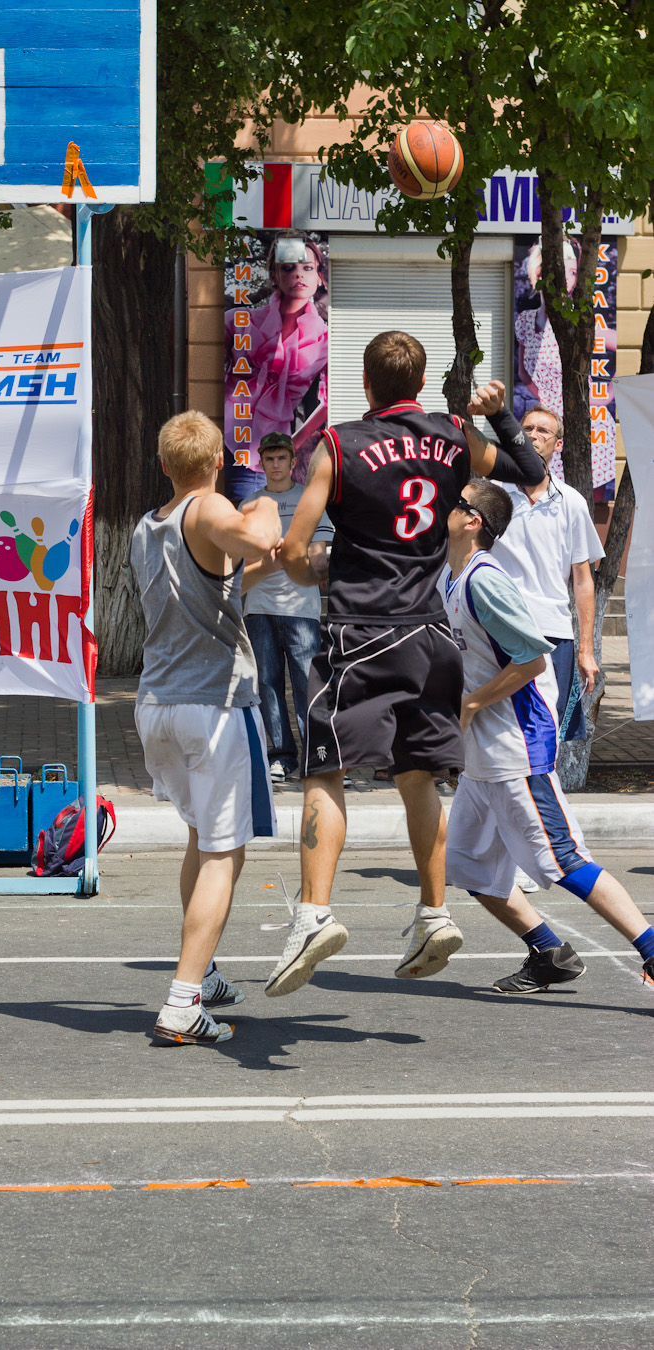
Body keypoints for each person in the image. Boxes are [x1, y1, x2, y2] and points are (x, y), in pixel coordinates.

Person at [263, 331, 548, 997]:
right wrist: (500, 413)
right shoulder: (454, 437)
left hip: (360, 632)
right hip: (430, 634)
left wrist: (307, 566)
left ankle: (313, 913)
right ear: (418, 383)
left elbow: (299, 550)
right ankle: (433, 911)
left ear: (365, 384)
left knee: (324, 772)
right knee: (418, 777)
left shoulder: (339, 445)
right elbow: (529, 471)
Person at [441, 477, 654, 992]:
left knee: (563, 860)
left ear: (474, 521)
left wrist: (469, 703)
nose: (446, 504)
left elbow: (532, 659)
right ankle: (549, 953)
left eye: (458, 501)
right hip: (482, 754)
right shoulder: (450, 574)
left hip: (517, 745)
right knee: (468, 868)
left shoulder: (484, 580)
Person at [130, 410, 281, 1045]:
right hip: (212, 707)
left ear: (164, 465)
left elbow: (220, 581)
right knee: (226, 853)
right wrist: (268, 504)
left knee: (201, 839)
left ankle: (206, 970)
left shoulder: (149, 524)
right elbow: (254, 541)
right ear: (218, 462)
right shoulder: (210, 510)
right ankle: (182, 1002)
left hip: (158, 703)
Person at [493, 405, 605, 742]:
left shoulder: (570, 501)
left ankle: (541, 793)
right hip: (500, 627)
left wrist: (586, 650)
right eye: (527, 428)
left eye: (544, 431)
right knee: (499, 728)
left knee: (545, 731)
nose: (533, 436)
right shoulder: (493, 496)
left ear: (558, 445)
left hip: (552, 633)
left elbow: (583, 580)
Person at [241, 431, 333, 782]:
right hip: (259, 608)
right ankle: (281, 756)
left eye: (282, 458)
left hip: (301, 609)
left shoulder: (309, 501)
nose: (276, 464)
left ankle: (318, 757)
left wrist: (301, 559)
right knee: (267, 684)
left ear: (294, 462)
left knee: (308, 685)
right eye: (269, 458)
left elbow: (320, 552)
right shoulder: (248, 505)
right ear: (261, 463)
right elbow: (238, 559)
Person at [224, 234, 328, 500]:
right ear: (273, 275)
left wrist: (294, 443)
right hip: (236, 450)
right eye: (288, 267)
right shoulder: (237, 322)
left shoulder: (326, 340)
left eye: (307, 268)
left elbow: (328, 402)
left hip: (288, 458)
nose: (298, 275)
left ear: (319, 277)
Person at [514, 236, 617, 495]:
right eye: (539, 263)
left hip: (587, 426)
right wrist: (545, 401)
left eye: (572, 270)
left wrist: (603, 399)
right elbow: (524, 372)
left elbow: (617, 343)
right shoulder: (526, 322)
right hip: (548, 429)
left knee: (582, 495)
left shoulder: (580, 322)